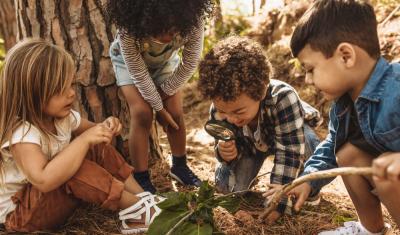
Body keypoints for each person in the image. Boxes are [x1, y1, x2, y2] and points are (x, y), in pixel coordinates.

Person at [0, 38, 164, 234]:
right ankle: (136, 211)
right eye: (60, 90)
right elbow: (44, 180)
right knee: (75, 166)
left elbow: (95, 132)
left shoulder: (62, 118)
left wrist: (107, 126)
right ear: (32, 94)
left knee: (93, 145)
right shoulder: (23, 134)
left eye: (71, 85)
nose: (71, 94)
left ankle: (143, 198)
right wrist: (83, 140)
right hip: (21, 217)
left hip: (48, 203)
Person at [288, 0, 400, 234]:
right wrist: (308, 180)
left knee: (389, 166)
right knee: (347, 152)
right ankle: (370, 229)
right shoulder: (343, 107)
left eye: (310, 70)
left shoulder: (396, 86)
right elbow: (330, 146)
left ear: (346, 56)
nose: (308, 80)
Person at [197, 36, 322, 223]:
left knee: (309, 141)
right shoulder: (220, 107)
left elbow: (289, 152)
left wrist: (278, 202)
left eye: (239, 111)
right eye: (224, 112)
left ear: (262, 91)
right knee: (225, 189)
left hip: (287, 138)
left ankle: (309, 188)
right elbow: (221, 142)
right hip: (249, 148)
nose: (231, 118)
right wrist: (225, 154)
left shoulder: (283, 98)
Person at [105, 0, 213, 193]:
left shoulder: (193, 21)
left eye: (172, 31)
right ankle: (141, 176)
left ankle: (180, 166)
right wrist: (158, 108)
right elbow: (138, 73)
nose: (165, 37)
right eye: (157, 30)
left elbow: (189, 64)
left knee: (176, 112)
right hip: (129, 65)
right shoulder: (128, 29)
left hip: (165, 64)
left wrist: (163, 98)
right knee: (142, 113)